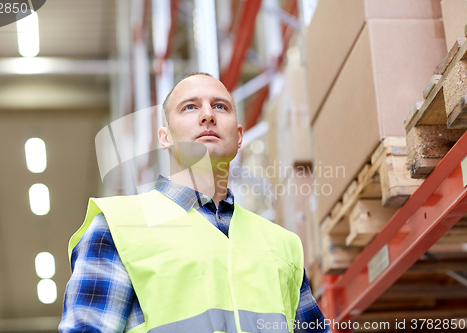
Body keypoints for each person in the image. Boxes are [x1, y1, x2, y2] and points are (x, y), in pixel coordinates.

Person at [59, 73, 331, 333]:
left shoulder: (282, 245)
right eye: (190, 107)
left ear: (239, 137)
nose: (208, 115)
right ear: (164, 137)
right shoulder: (117, 227)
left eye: (220, 106)